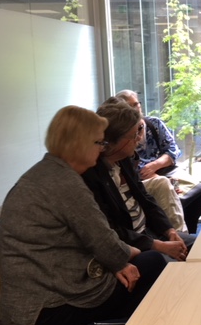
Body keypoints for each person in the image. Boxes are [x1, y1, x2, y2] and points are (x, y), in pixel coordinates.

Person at [0, 106, 166, 325]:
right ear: (79, 144)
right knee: (153, 262)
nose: (102, 149)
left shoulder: (46, 172)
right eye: (98, 143)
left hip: (26, 302)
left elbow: (97, 244)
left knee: (137, 267)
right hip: (44, 308)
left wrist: (117, 261)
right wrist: (125, 258)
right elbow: (105, 242)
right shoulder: (66, 183)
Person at [82, 101, 194, 262]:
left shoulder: (124, 159)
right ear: (116, 141)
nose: (139, 139)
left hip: (150, 233)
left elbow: (145, 198)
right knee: (174, 266)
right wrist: (157, 245)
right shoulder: (92, 174)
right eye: (134, 134)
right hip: (133, 246)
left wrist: (169, 230)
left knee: (199, 246)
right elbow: (112, 230)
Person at [116, 90, 201, 233]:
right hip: (145, 179)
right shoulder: (123, 137)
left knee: (200, 193)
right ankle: (178, 235)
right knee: (166, 191)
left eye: (136, 104)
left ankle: (189, 232)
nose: (135, 109)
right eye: (130, 107)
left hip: (164, 170)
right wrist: (152, 174)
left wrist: (155, 165)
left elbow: (173, 150)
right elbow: (128, 169)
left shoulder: (154, 124)